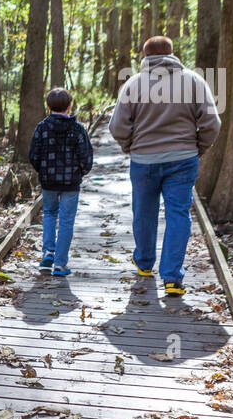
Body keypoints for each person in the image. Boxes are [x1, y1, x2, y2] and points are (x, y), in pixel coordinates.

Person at [109, 35, 221, 296]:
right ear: (172, 53)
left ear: (145, 56)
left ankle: (145, 264)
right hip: (182, 160)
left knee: (144, 212)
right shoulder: (193, 81)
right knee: (178, 215)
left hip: (143, 161)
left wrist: (130, 146)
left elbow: (117, 127)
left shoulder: (134, 84)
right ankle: (172, 278)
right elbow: (211, 123)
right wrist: (197, 148)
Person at [28, 87, 94, 277]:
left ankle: (48, 252)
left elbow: (34, 155)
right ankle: (60, 264)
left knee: (49, 213)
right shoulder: (77, 129)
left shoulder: (42, 128)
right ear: (70, 106)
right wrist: (80, 172)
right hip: (71, 183)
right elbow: (86, 156)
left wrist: (43, 170)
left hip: (48, 181)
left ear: (48, 107)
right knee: (66, 220)